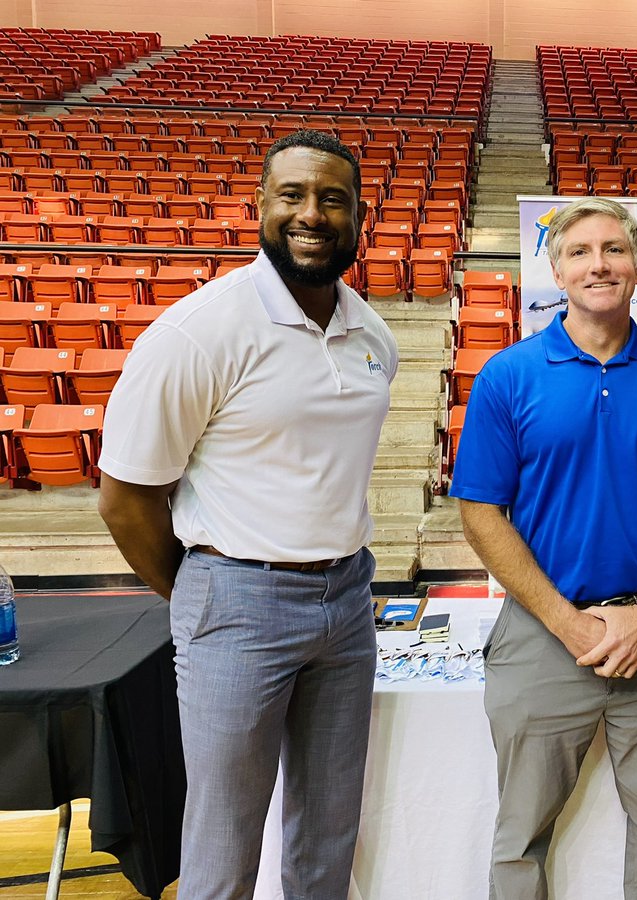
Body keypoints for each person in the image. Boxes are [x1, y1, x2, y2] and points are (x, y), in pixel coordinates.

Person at [97, 130, 398, 899]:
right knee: (224, 846)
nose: (312, 214)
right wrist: (207, 593)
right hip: (238, 600)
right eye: (292, 194)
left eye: (333, 198)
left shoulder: (373, 335)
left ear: (360, 215)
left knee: (327, 839)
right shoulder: (200, 332)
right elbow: (126, 498)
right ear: (258, 206)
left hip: (347, 602)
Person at [450, 197, 637, 900]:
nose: (599, 264)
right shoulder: (509, 376)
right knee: (521, 835)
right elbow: (480, 512)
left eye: (614, 249)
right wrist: (563, 620)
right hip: (545, 632)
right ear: (556, 270)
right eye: (580, 252)